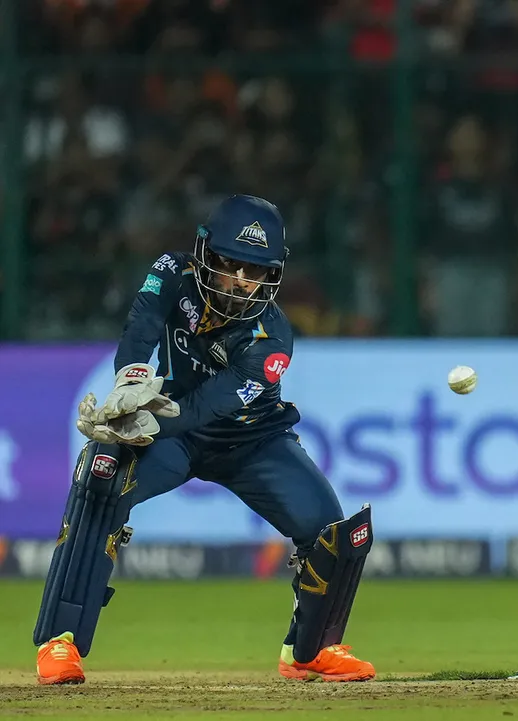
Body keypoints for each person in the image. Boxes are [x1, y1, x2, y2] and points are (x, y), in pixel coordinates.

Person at [34, 195, 376, 685]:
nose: (241, 282)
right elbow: (141, 330)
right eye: (230, 265)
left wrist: (146, 421)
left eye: (255, 272)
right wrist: (130, 384)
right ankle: (59, 643)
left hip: (251, 442)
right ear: (204, 256)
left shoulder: (271, 338)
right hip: (175, 442)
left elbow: (205, 407)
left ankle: (310, 653)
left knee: (332, 530)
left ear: (272, 275)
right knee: (102, 473)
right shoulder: (171, 271)